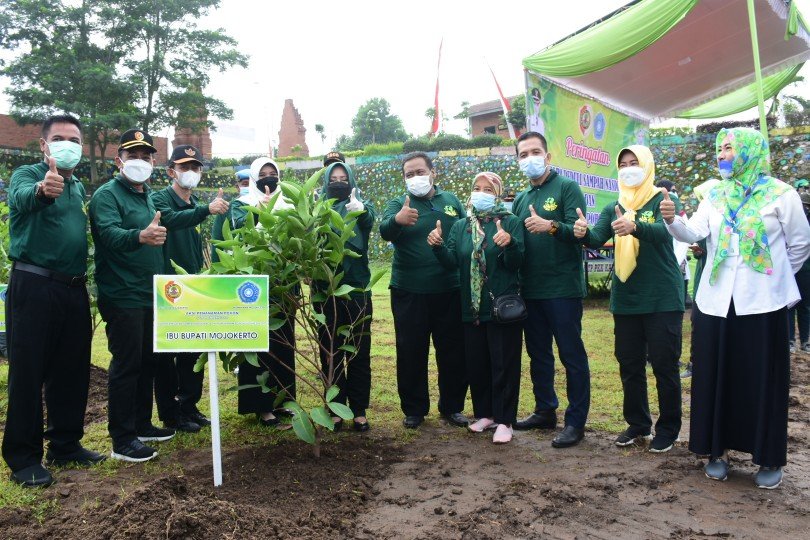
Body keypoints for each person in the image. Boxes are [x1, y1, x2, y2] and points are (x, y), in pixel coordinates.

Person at [663, 128, 810, 488]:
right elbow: (693, 233)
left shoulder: (781, 194)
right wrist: (671, 220)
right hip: (716, 304)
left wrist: (771, 278)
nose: (722, 153)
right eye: (720, 148)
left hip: (763, 305)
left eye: (729, 147)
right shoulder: (712, 194)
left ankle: (768, 458)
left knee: (762, 379)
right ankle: (717, 451)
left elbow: (800, 244)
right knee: (716, 376)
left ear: (749, 150)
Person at [2, 114, 105, 487]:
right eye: (60, 138)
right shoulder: (28, 176)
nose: (68, 144)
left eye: (75, 139)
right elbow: (22, 198)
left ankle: (65, 443)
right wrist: (44, 190)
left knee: (71, 369)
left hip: (73, 287)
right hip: (34, 284)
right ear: (44, 145)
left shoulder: (78, 187)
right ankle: (23, 457)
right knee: (28, 371)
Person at [579, 144, 684, 453]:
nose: (627, 168)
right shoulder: (616, 204)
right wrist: (581, 231)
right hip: (626, 299)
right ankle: (638, 423)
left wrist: (635, 226)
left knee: (665, 365)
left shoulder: (665, 200)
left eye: (633, 162)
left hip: (662, 298)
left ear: (647, 165)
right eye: (622, 163)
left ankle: (669, 428)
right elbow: (598, 237)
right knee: (629, 364)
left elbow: (666, 233)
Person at [89, 129, 174, 462]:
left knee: (147, 361)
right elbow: (108, 234)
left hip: (149, 293)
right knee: (126, 365)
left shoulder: (147, 195)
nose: (140, 161)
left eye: (146, 156)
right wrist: (140, 235)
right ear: (118, 161)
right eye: (133, 156)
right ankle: (122, 439)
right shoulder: (107, 195)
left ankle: (141, 424)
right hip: (122, 294)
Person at [429, 172, 524, 444]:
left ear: (498, 194)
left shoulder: (510, 222)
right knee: (477, 363)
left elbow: (518, 263)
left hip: (500, 307)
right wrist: (437, 246)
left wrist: (510, 244)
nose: (481, 192)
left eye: (488, 188)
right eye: (476, 188)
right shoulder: (461, 226)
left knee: (503, 363)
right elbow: (452, 262)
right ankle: (485, 414)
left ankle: (505, 420)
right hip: (471, 307)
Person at [511, 131, 590, 449]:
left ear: (548, 156)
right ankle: (545, 410)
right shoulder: (519, 199)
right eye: (523, 154)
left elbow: (579, 230)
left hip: (562, 289)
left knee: (571, 354)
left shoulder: (567, 187)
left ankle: (575, 421)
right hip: (531, 290)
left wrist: (551, 226)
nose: (529, 158)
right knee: (538, 354)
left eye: (534, 152)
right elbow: (515, 243)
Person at [379, 151, 469, 429]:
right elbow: (384, 230)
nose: (415, 178)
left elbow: (467, 231)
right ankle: (415, 409)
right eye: (409, 174)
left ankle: (452, 407)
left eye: (420, 172)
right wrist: (398, 220)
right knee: (411, 351)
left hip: (449, 288)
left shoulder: (451, 201)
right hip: (409, 290)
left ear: (433, 173)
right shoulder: (398, 203)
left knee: (453, 351)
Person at [151, 145, 229, 433]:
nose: (191, 172)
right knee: (168, 354)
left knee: (193, 350)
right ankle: (171, 413)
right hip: (168, 287)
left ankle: (189, 405)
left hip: (193, 286)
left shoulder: (194, 203)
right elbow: (170, 220)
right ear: (171, 171)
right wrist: (205, 210)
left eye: (196, 167)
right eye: (185, 167)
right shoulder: (160, 199)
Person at [226, 156, 297, 426]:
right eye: (263, 173)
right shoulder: (241, 204)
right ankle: (262, 406)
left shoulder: (287, 204)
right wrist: (260, 210)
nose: (269, 178)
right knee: (257, 343)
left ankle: (282, 401)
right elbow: (239, 233)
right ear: (254, 178)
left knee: (284, 342)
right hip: (253, 283)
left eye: (273, 173)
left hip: (283, 282)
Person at [315, 161, 376, 431]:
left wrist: (360, 211)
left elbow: (370, 220)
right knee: (331, 351)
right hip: (325, 289)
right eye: (334, 178)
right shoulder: (317, 209)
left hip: (358, 287)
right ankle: (335, 409)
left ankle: (359, 410)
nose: (338, 182)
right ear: (326, 181)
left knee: (360, 351)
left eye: (343, 178)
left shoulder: (360, 204)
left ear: (351, 181)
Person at [681, 179, 719, 379]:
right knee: (698, 324)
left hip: (719, 282)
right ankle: (695, 364)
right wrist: (698, 251)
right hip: (702, 281)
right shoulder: (702, 219)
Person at [788, 191, 810, 353]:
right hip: (789, 267)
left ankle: (805, 340)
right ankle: (789, 340)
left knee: (805, 306)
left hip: (806, 269)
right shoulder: (788, 218)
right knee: (789, 305)